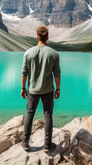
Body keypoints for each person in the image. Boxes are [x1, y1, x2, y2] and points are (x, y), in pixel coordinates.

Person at [20, 25, 61, 153]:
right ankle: (48, 144)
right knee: (48, 114)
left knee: (29, 113)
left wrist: (23, 88)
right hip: (48, 90)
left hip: (32, 90)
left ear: (37, 37)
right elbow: (57, 74)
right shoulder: (54, 54)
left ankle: (25, 143)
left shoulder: (28, 53)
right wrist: (58, 89)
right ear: (47, 37)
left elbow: (24, 73)